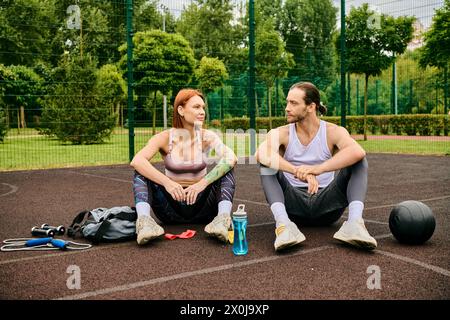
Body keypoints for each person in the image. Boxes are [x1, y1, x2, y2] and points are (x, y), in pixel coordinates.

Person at [256, 82, 377, 251]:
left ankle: (355, 224)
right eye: (287, 102)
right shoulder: (281, 133)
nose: (287, 108)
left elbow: (357, 151)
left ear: (311, 106)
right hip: (293, 205)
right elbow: (261, 153)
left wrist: (317, 169)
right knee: (266, 164)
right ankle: (284, 226)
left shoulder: (333, 131)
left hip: (327, 205)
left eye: (294, 103)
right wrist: (298, 171)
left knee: (359, 160)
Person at [130, 89, 237, 245]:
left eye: (203, 107)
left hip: (204, 208)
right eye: (196, 107)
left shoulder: (208, 137)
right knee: (140, 172)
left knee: (227, 168)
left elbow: (231, 158)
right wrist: (167, 182)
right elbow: (137, 161)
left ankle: (222, 220)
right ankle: (144, 223)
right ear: (180, 110)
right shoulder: (164, 138)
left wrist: (202, 184)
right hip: (170, 209)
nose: (202, 112)